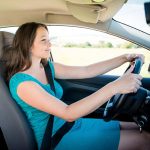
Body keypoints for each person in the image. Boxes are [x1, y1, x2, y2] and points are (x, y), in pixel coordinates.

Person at [2, 22, 150, 150]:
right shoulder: (23, 83)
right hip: (57, 138)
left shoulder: (47, 67)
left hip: (72, 125)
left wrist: (124, 58)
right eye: (43, 40)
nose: (50, 44)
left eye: (49, 39)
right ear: (27, 44)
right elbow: (68, 112)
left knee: (136, 128)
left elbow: (86, 70)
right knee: (144, 140)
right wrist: (115, 87)